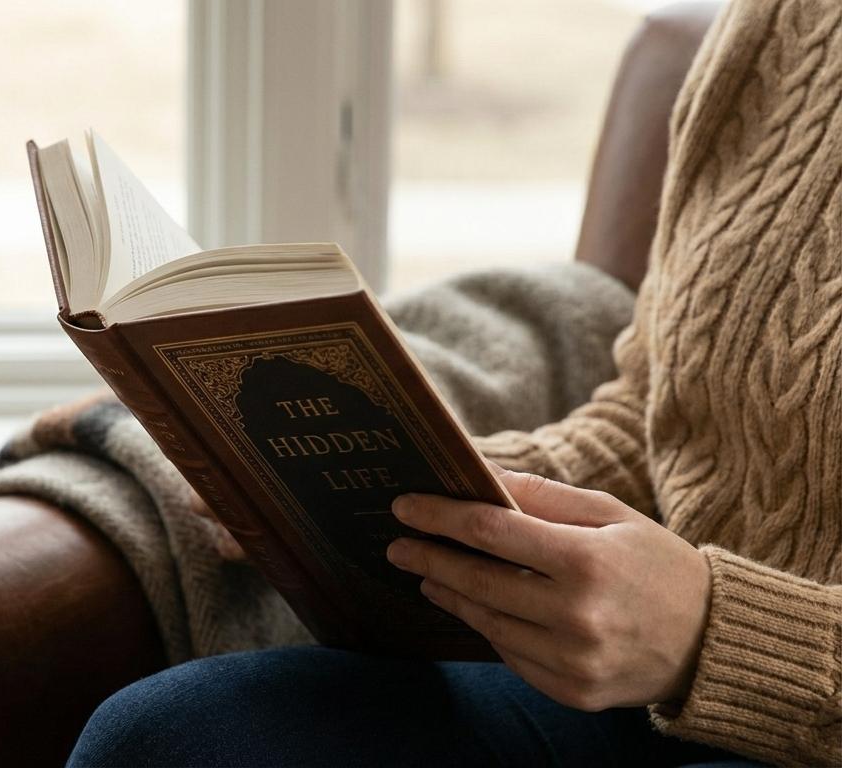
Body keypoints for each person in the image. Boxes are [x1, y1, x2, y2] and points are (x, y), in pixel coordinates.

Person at [66, 0, 842, 765]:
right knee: (169, 737)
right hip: (640, 689)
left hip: (780, 694)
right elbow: (661, 415)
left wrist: (713, 636)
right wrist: (414, 488)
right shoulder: (784, 23)